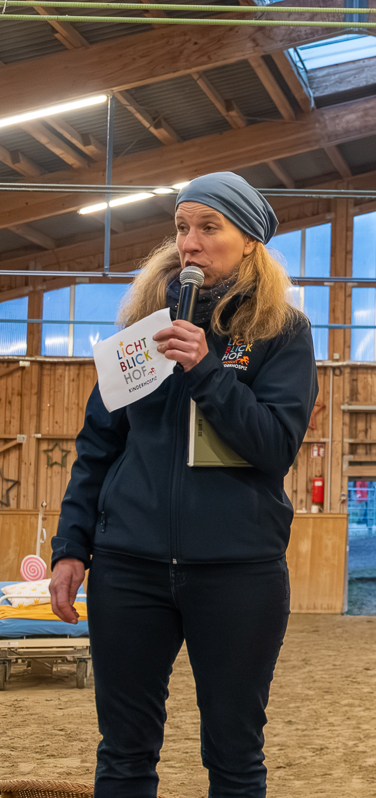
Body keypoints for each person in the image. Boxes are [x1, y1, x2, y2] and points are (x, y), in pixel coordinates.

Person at [47, 172, 318, 798]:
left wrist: (207, 370)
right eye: (181, 227)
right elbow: (98, 448)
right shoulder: (140, 332)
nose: (189, 242)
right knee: (123, 752)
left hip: (238, 572)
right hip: (127, 567)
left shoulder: (282, 332)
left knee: (234, 755)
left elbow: (273, 446)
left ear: (249, 241)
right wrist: (71, 546)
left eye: (208, 227)